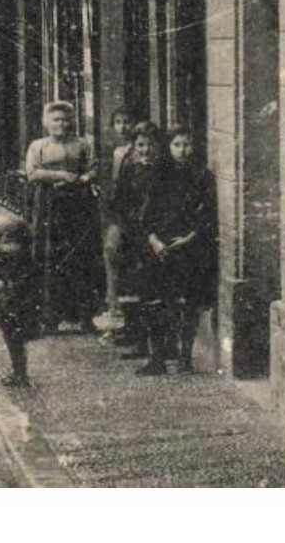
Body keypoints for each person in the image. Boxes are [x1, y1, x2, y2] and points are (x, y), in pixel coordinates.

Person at [140, 126, 216, 375]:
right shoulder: (158, 174)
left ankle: (185, 357)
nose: (182, 150)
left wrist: (189, 238)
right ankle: (158, 358)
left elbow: (208, 215)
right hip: (160, 246)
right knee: (157, 302)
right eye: (177, 145)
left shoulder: (203, 176)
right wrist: (154, 240)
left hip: (189, 248)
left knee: (188, 303)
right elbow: (147, 212)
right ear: (168, 147)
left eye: (187, 144)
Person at [23, 101, 99, 332]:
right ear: (46, 123)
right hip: (48, 204)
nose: (61, 124)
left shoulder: (82, 144)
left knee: (80, 256)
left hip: (77, 204)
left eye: (65, 119)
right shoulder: (38, 146)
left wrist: (85, 178)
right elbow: (32, 173)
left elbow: (94, 167)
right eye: (56, 119)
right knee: (50, 258)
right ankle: (50, 317)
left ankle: (85, 316)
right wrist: (60, 175)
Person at [112, 122, 165, 362]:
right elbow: (120, 199)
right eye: (140, 145)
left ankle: (158, 349)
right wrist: (122, 226)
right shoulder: (130, 167)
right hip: (133, 234)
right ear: (133, 147)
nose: (145, 150)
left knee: (152, 290)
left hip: (154, 236)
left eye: (150, 145)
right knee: (134, 288)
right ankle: (139, 341)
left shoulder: (163, 171)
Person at [0, 220, 43, 388]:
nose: (5, 247)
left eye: (10, 243)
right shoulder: (2, 261)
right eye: (3, 242)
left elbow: (32, 287)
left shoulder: (29, 265)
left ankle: (20, 374)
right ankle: (17, 371)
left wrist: (12, 286)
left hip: (22, 309)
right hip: (6, 308)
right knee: (11, 340)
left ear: (22, 244)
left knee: (17, 341)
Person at [98, 108, 137, 330]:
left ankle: (124, 312)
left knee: (121, 255)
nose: (122, 127)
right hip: (114, 211)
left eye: (127, 122)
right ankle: (113, 306)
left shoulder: (138, 149)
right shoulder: (113, 151)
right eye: (118, 122)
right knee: (110, 253)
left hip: (128, 212)